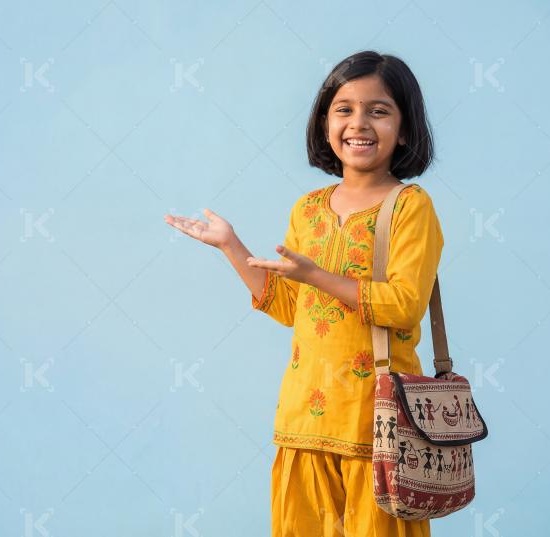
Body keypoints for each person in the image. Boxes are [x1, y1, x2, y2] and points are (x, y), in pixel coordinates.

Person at [164, 50, 443, 537]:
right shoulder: (308, 209)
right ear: (323, 122)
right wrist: (231, 246)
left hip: (377, 425)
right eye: (344, 109)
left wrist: (317, 275)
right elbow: (291, 308)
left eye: (379, 110)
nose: (359, 123)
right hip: (304, 421)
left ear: (404, 128)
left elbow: (403, 306)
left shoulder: (410, 207)